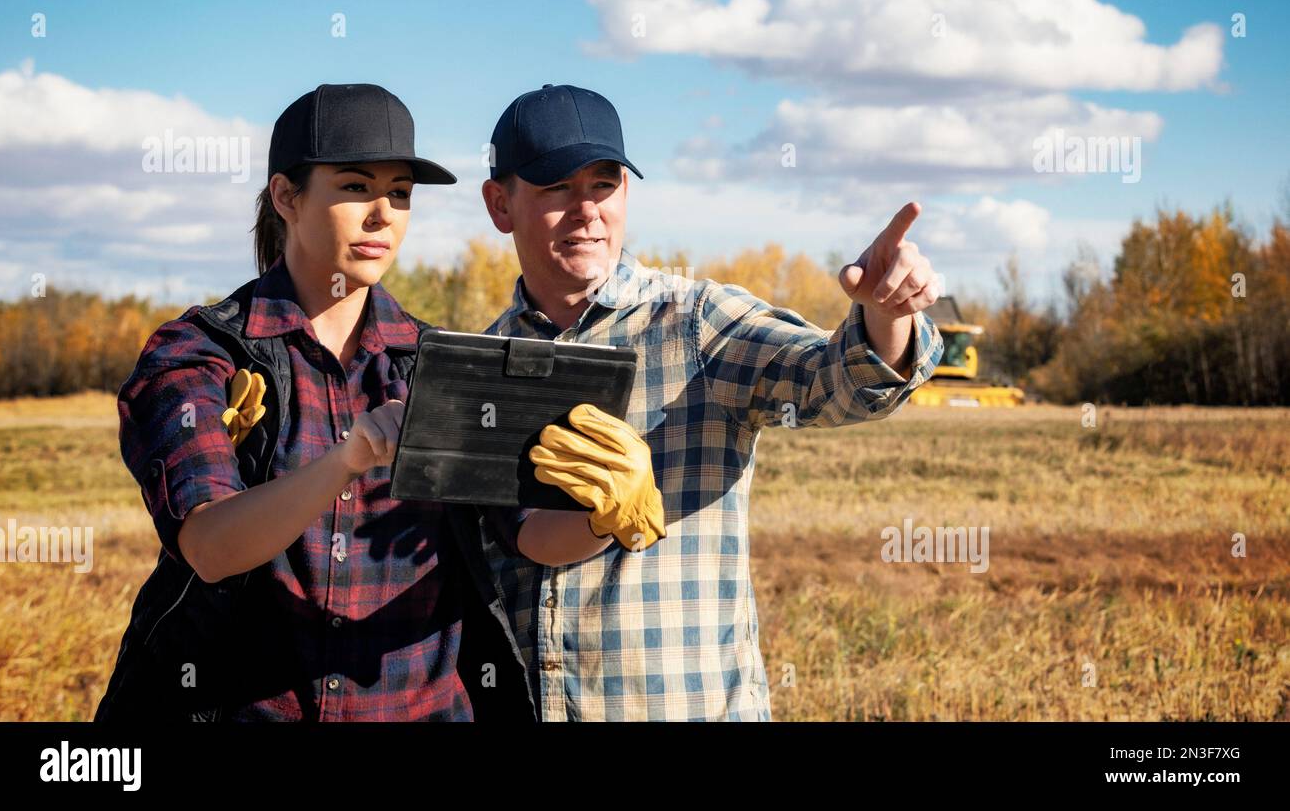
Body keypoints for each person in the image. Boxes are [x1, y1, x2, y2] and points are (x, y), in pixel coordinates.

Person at [477, 83, 946, 721]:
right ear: (500, 205)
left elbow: (833, 384)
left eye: (604, 184)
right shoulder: (484, 362)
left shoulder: (697, 322)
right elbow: (507, 541)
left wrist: (885, 316)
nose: (587, 211)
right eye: (557, 187)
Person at [95, 83, 534, 721]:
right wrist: (344, 461)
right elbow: (211, 548)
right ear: (286, 198)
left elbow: (523, 534)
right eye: (355, 187)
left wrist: (609, 512)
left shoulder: (444, 366)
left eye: (400, 194)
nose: (382, 214)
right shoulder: (199, 354)